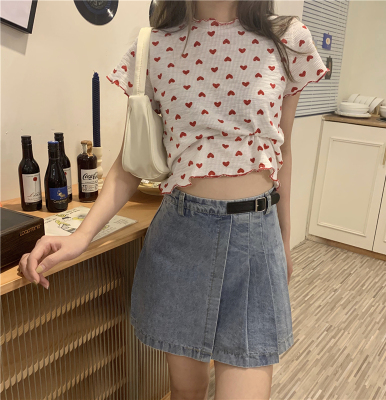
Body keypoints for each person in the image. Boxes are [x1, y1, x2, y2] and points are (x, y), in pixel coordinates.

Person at [18, 1, 329, 399]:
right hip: (182, 238)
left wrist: (283, 242)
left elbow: (281, 153)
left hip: (256, 241)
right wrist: (80, 237)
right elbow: (129, 165)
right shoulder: (153, 45)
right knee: (186, 391)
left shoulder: (287, 40)